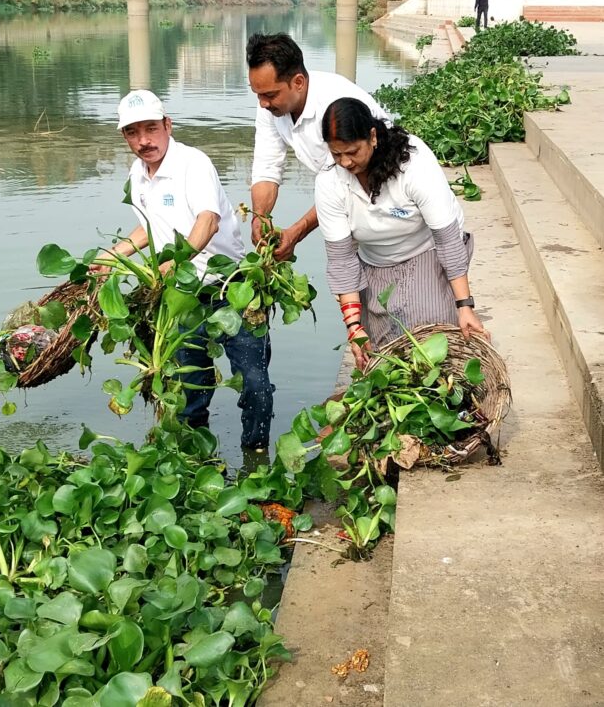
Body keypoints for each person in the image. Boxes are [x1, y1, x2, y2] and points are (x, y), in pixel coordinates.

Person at [98, 89, 273, 451]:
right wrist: (112, 257)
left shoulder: (193, 163)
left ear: (167, 125)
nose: (144, 141)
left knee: (254, 383)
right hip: (182, 297)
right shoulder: (137, 174)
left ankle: (256, 461)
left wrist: (173, 264)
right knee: (188, 385)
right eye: (133, 133)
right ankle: (194, 462)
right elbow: (148, 229)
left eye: (151, 128)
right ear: (124, 136)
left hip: (232, 289)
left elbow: (207, 222)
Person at [314, 97, 488, 370]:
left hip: (425, 249)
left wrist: (464, 305)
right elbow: (342, 260)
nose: (345, 162)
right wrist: (354, 327)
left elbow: (447, 238)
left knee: (432, 334)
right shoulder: (329, 182)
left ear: (372, 136)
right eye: (337, 155)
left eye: (352, 152)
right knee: (389, 353)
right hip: (374, 261)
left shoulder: (413, 162)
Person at [247, 32, 391, 261]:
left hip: (385, 199)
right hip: (346, 202)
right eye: (258, 94)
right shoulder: (270, 106)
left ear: (298, 82)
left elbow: (342, 180)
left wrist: (297, 232)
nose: (263, 103)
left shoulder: (334, 104)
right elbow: (267, 166)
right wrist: (259, 216)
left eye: (270, 95)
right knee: (347, 283)